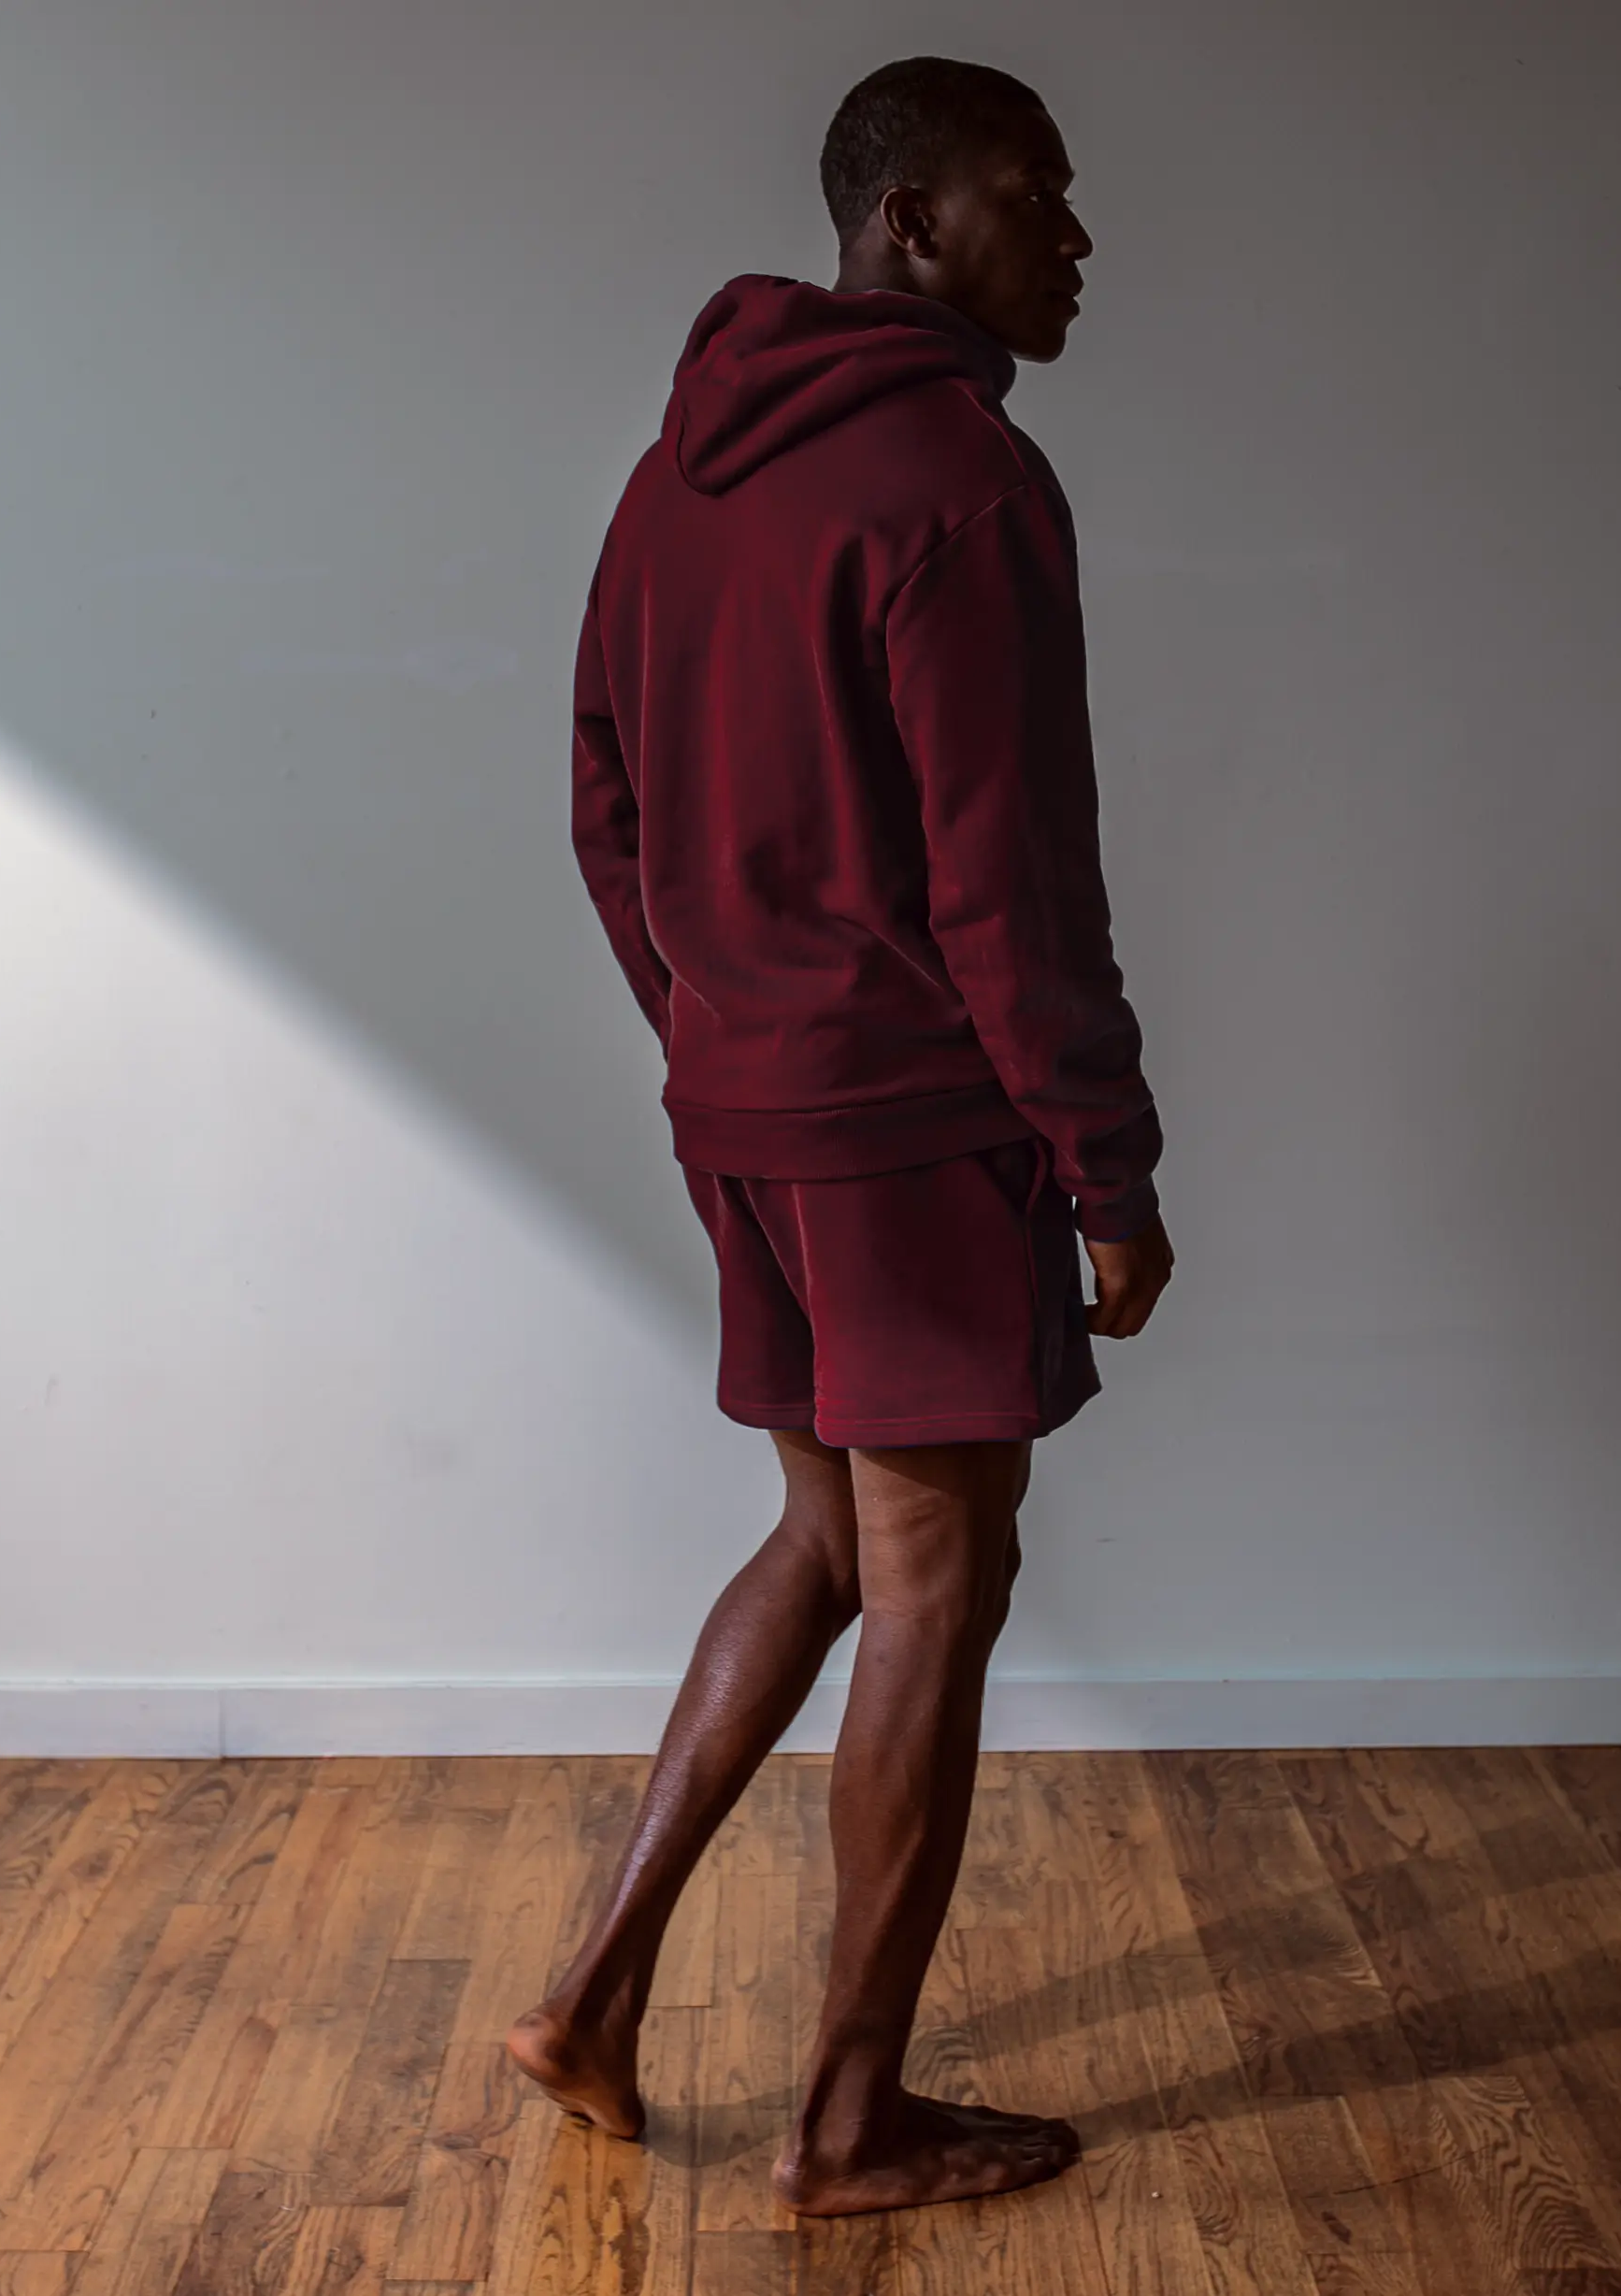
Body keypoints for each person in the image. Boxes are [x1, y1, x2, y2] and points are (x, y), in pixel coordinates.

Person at [507, 54, 1175, 2217]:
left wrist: (720, 1030)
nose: (1073, 237)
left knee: (827, 1540)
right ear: (909, 224)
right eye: (1032, 195)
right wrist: (1110, 1168)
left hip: (750, 1113)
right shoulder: (964, 481)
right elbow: (1013, 882)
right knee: (937, 1580)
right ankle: (849, 2119)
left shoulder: (673, 471)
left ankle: (592, 1998)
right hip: (904, 1131)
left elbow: (604, 800)